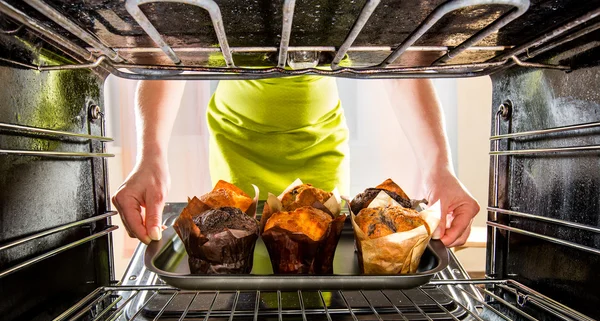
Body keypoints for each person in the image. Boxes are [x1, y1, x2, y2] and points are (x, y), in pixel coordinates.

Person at [112, 77, 480, 248]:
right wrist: (150, 156)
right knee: (242, 270)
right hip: (238, 148)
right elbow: (167, 49)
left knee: (319, 277)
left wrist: (439, 170)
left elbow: (403, 63)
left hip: (320, 148)